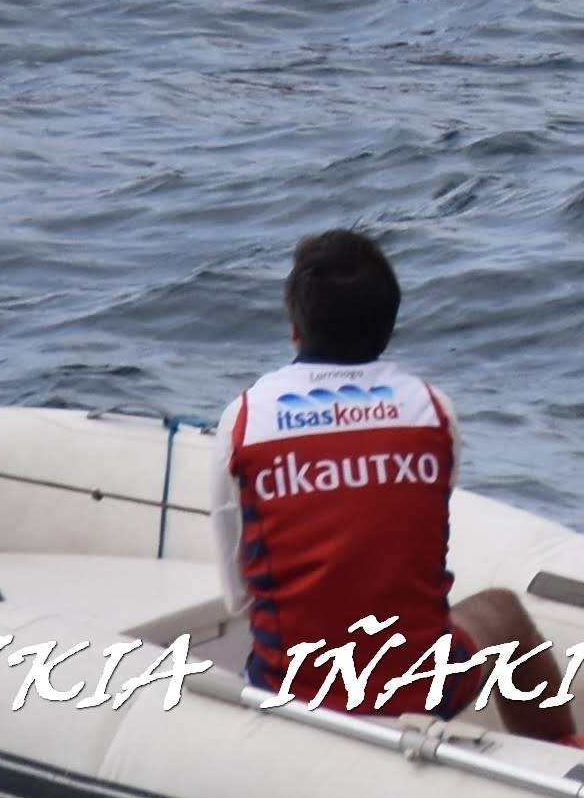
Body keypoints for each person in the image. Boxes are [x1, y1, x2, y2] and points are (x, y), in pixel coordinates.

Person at [210, 230, 561, 733]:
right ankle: (562, 752)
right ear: (388, 327)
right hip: (422, 689)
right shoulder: (432, 410)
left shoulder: (244, 420)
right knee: (501, 611)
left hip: (291, 689)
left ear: (295, 329)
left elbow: (239, 599)